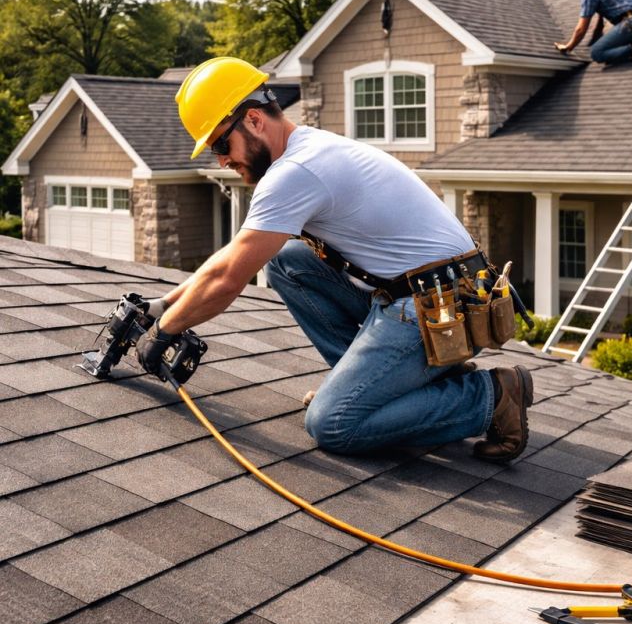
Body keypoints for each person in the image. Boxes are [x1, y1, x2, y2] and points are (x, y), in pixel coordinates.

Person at [135, 56, 532, 463]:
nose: (221, 160)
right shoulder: (308, 145)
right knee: (288, 261)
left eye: (221, 144)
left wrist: (164, 332)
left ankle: (493, 396)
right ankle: (376, 387)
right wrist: (162, 307)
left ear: (253, 120)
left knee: (334, 423)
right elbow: (231, 257)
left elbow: (228, 280)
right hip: (435, 294)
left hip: (435, 309)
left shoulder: (295, 172)